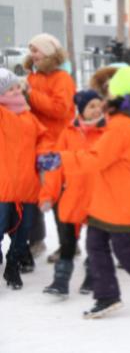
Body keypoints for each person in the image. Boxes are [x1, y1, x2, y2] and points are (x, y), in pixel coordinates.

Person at [37, 66, 130, 319]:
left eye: (108, 94)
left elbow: (97, 157)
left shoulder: (122, 125)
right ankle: (111, 294)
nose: (105, 99)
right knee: (98, 243)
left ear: (117, 95)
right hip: (113, 193)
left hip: (119, 195)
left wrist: (62, 159)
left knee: (121, 249)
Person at [39, 90, 106, 297]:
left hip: (100, 196)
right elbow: (56, 167)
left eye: (98, 105)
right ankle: (61, 280)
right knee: (67, 239)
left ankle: (92, 274)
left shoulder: (109, 131)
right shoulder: (68, 132)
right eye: (91, 106)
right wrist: (48, 195)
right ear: (81, 110)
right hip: (73, 194)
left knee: (96, 241)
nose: (96, 110)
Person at [24, 33, 77, 263]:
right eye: (31, 50)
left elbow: (60, 109)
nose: (32, 55)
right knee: (33, 194)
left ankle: (69, 244)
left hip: (56, 145)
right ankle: (36, 239)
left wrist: (30, 95)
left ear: (48, 53)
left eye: (37, 50)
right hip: (33, 144)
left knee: (57, 197)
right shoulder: (32, 78)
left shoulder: (62, 78)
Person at [0, 68, 50, 290]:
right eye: (9, 89)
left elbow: (43, 139)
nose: (15, 91)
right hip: (3, 185)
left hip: (28, 184)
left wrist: (45, 155)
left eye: (16, 87)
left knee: (24, 230)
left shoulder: (29, 117)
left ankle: (13, 263)